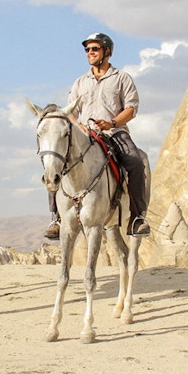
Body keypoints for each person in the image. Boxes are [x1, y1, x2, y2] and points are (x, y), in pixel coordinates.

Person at [43, 32, 151, 239]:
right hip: (85, 134)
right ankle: (56, 218)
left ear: (107, 52)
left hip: (114, 132)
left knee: (136, 163)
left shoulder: (122, 78)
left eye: (95, 49)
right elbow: (71, 112)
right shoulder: (80, 82)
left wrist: (112, 122)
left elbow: (131, 109)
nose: (90, 53)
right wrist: (80, 126)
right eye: (87, 50)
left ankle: (137, 218)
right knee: (54, 162)